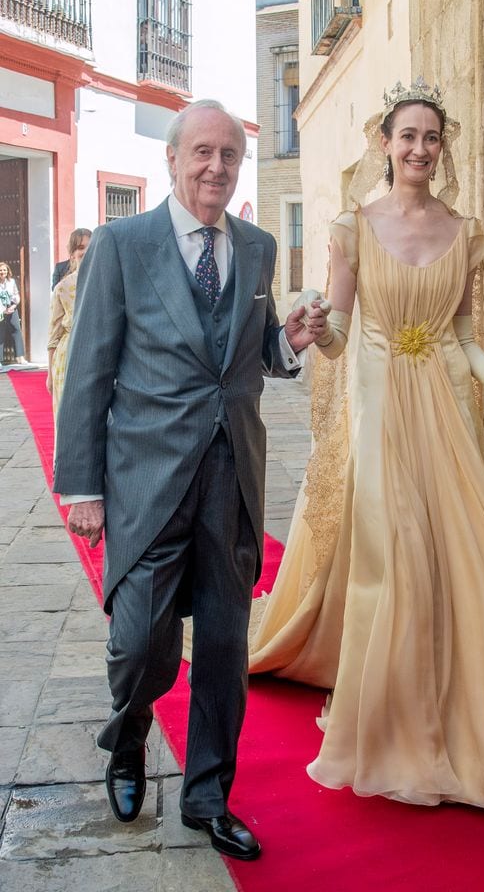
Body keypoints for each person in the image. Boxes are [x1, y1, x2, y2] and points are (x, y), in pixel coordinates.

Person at [249, 79, 484, 813]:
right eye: (407, 136)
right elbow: (342, 336)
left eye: (431, 138)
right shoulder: (352, 228)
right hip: (378, 415)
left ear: (443, 150)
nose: (419, 148)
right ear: (385, 143)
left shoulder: (465, 230)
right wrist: (314, 331)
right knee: (399, 554)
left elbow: (463, 340)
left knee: (465, 554)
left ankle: (478, 718)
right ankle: (391, 726)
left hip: (443, 414)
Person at [53, 99, 327, 860]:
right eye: (201, 152)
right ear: (173, 160)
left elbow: (245, 355)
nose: (215, 167)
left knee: (222, 650)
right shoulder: (123, 244)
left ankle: (208, 795)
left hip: (230, 478)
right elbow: (88, 372)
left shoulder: (260, 247)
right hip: (146, 478)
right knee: (142, 642)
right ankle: (128, 737)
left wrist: (286, 342)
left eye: (229, 155)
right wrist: (83, 486)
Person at [46, 229, 91, 429]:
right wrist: (49, 374)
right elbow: (53, 335)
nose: (86, 251)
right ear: (72, 253)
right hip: (68, 358)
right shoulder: (62, 288)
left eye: (90, 246)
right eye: (81, 247)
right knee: (68, 421)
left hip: (97, 354)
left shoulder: (109, 281)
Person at [0, 261, 27, 365]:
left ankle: (20, 357)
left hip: (12, 309)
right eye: (1, 270)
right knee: (0, 334)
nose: (2, 272)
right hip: (1, 311)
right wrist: (3, 309)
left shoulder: (11, 281)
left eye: (4, 270)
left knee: (16, 331)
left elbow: (16, 294)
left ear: (8, 271)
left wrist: (14, 305)